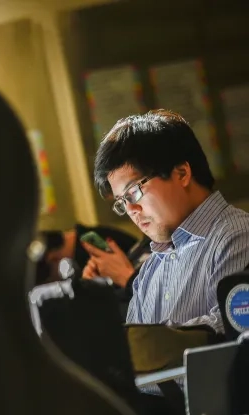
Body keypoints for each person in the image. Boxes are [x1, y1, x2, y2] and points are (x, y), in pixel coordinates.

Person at [93, 109, 249, 332]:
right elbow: (137, 344)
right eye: (122, 202)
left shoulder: (237, 237)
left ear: (182, 173)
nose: (131, 210)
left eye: (134, 191)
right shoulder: (150, 270)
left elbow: (231, 330)